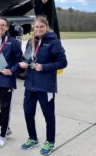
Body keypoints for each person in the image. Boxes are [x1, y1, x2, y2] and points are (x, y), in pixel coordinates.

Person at [19, 16, 67, 155]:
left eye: (41, 27)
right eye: (37, 27)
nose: (39, 29)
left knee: (48, 115)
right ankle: (32, 138)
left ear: (46, 27)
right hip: (30, 85)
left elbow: (63, 62)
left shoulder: (54, 42)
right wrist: (24, 63)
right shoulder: (31, 41)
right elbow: (27, 58)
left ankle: (50, 141)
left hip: (45, 86)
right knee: (28, 113)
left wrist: (44, 67)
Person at [0, 17, 22, 149]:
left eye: (3, 25)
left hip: (6, 80)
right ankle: (5, 127)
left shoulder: (13, 43)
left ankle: (2, 135)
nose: (0, 27)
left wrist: (12, 71)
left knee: (5, 109)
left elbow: (20, 61)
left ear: (7, 27)